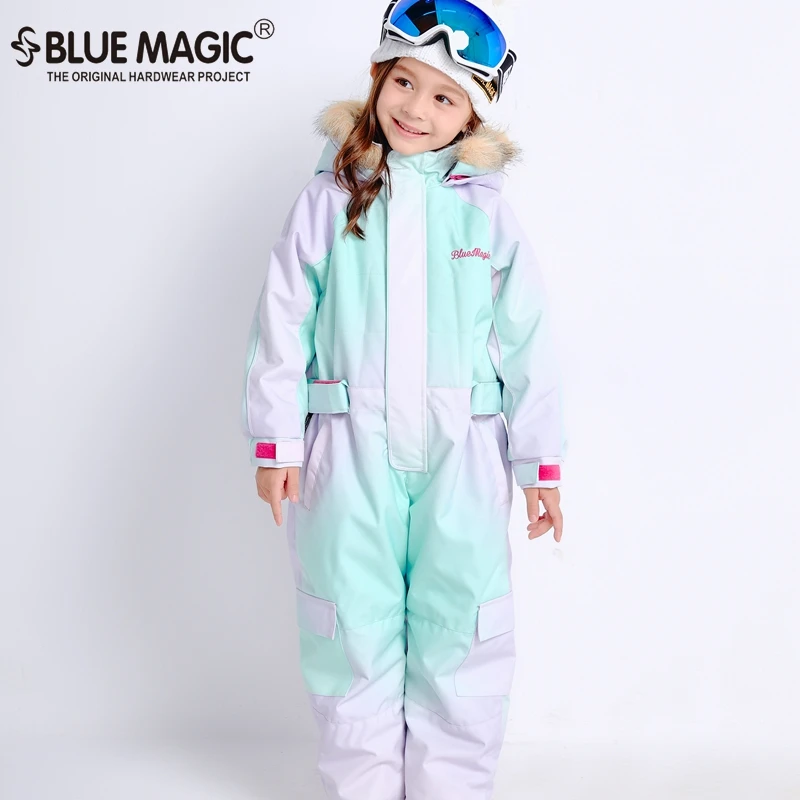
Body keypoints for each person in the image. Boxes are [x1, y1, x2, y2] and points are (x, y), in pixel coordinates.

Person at [240, 1, 567, 797]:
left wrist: (540, 463)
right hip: (346, 449)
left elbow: (527, 339)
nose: (417, 108)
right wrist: (276, 443)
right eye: (404, 83)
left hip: (465, 452)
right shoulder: (329, 199)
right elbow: (281, 321)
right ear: (378, 78)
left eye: (444, 96)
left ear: (471, 113)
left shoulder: (484, 213)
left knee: (464, 620)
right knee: (350, 621)